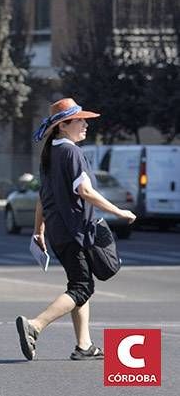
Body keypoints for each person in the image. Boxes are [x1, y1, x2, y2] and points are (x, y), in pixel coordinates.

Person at [15, 98, 136, 361]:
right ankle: (34, 325)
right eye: (80, 120)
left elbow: (41, 198)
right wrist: (119, 211)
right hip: (76, 231)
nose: (85, 125)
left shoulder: (51, 153)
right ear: (63, 126)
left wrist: (39, 230)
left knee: (79, 284)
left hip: (60, 233)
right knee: (82, 287)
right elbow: (85, 191)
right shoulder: (72, 152)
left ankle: (84, 345)